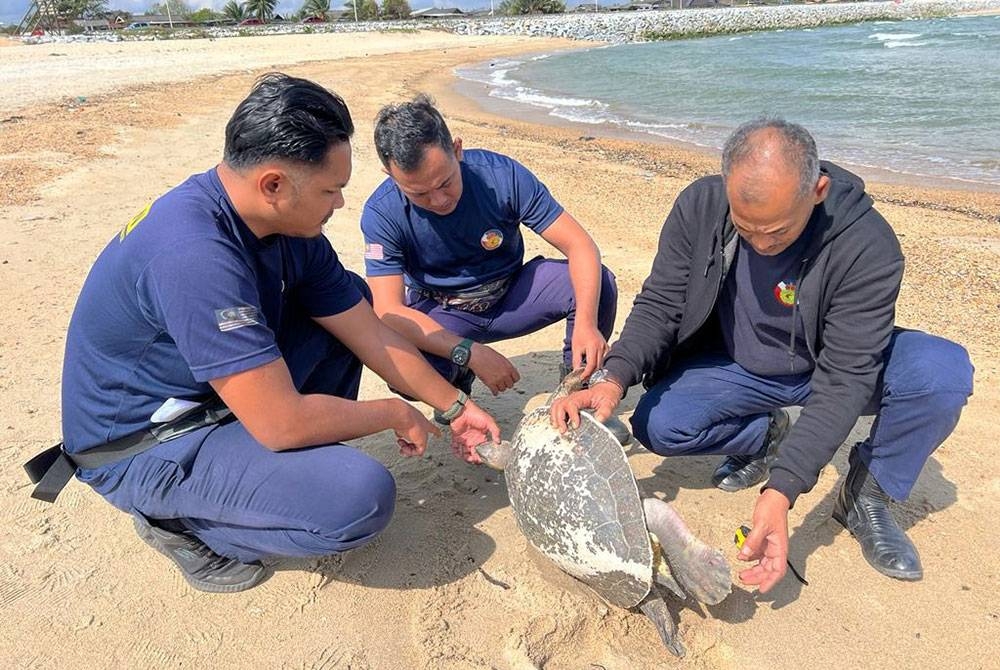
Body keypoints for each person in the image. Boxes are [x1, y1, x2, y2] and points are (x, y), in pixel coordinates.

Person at [46, 74, 501, 594]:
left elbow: (367, 331)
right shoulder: (194, 253)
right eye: (332, 190)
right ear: (273, 185)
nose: (340, 205)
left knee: (343, 299)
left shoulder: (287, 226)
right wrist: (395, 412)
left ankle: (270, 475)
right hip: (140, 444)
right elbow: (281, 424)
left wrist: (454, 408)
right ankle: (180, 522)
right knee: (359, 499)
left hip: (209, 395)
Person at [550, 118, 974, 591]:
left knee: (941, 373)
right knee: (658, 425)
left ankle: (867, 494)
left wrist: (783, 489)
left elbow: (847, 378)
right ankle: (762, 435)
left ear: (817, 190)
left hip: (830, 363)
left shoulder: (867, 244)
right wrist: (614, 377)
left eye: (776, 232)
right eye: (745, 227)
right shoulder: (701, 206)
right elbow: (662, 303)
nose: (760, 243)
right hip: (740, 363)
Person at [359, 95, 629, 443]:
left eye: (445, 183)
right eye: (419, 194)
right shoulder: (382, 214)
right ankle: (454, 388)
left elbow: (580, 246)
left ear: (457, 150)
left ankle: (577, 395)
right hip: (444, 310)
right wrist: (469, 352)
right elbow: (388, 311)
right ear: (391, 176)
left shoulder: (501, 176)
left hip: (511, 293)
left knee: (598, 283)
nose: (439, 201)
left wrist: (588, 325)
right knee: (400, 365)